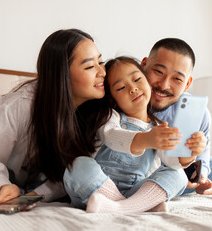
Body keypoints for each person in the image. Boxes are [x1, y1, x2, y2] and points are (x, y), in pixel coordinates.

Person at [0, 29, 107, 205]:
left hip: (46, 183)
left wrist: (31, 197)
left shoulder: (100, 115)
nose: (102, 72)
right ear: (62, 73)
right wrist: (2, 187)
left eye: (101, 62)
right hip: (0, 175)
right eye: (89, 66)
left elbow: (68, 176)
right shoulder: (16, 106)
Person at [64, 57, 202, 214]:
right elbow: (111, 135)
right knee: (78, 164)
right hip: (94, 189)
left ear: (148, 83)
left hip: (134, 191)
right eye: (121, 88)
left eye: (137, 79)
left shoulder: (157, 127)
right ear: (113, 100)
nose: (132, 88)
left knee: (178, 175)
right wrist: (146, 139)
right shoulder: (110, 116)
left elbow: (171, 162)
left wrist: (189, 154)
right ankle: (138, 206)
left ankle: (120, 207)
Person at [141, 38, 212, 195]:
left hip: (175, 168)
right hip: (134, 167)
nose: (164, 85)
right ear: (144, 65)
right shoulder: (126, 97)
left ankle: (170, 186)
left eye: (177, 79)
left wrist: (202, 179)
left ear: (187, 84)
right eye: (158, 72)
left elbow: (202, 158)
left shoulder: (197, 113)